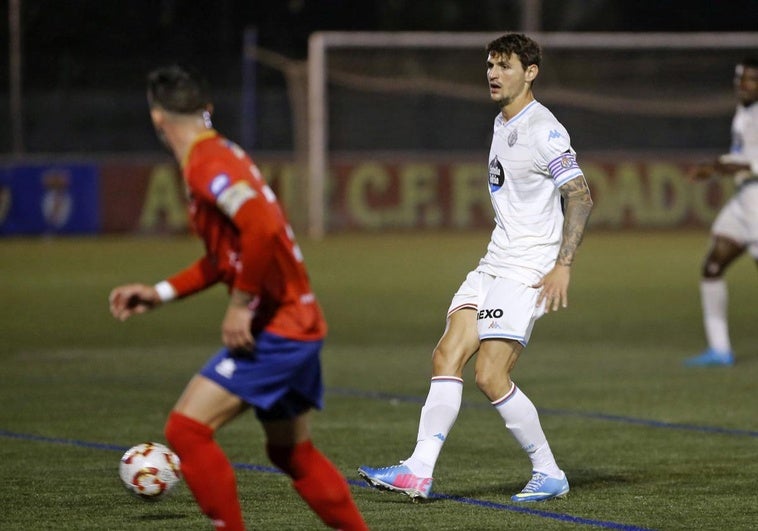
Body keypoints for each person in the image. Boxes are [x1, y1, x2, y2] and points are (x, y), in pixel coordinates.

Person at [109, 65, 368, 531]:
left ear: (157, 118)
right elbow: (225, 257)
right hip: (296, 320)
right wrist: (161, 292)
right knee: (291, 452)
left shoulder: (208, 163)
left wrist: (239, 304)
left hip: (279, 325)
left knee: (185, 431)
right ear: (206, 109)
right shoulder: (216, 154)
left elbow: (262, 228)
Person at [358, 33, 593, 503]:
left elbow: (581, 194)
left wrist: (562, 265)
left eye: (505, 66)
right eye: (490, 65)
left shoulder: (543, 128)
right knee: (446, 356)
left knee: (489, 375)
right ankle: (418, 470)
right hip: (493, 263)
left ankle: (548, 472)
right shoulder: (502, 121)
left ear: (530, 73)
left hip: (527, 268)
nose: (492, 73)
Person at [684, 57, 758, 367]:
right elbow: (743, 155)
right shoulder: (745, 111)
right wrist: (716, 165)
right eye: (739, 79)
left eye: (750, 79)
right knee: (713, 266)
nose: (742, 85)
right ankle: (720, 350)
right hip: (744, 199)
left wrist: (717, 167)